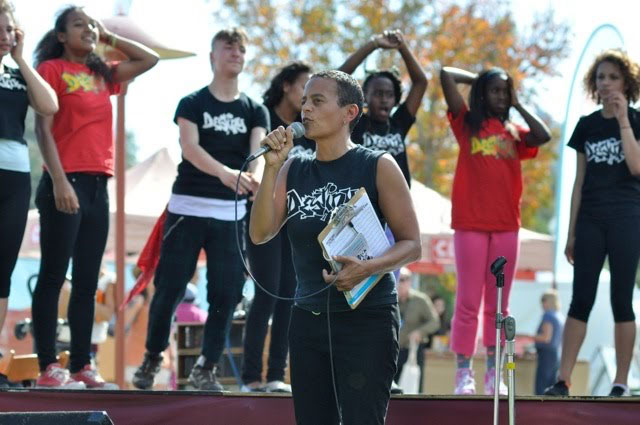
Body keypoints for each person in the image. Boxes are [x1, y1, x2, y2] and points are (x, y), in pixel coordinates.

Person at [250, 70, 421, 425]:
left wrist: (368, 267)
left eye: (317, 101)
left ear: (349, 113)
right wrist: (271, 168)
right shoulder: (292, 169)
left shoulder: (377, 165)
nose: (305, 110)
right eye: (304, 102)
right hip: (308, 320)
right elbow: (261, 233)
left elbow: (412, 244)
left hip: (367, 320)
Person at [132, 27, 269, 392]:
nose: (235, 53)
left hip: (231, 214)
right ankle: (152, 355)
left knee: (226, 294)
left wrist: (251, 177)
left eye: (241, 48)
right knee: (169, 289)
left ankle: (206, 367)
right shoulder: (192, 103)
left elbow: (258, 156)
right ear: (213, 55)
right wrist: (227, 174)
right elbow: (189, 148)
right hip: (187, 207)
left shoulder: (255, 110)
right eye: (228, 47)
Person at [31, 5, 158, 389]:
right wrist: (58, 182)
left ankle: (83, 365)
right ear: (60, 36)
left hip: (98, 186)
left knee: (88, 281)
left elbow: (148, 59)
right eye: (78, 25)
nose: (87, 30)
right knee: (54, 275)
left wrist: (108, 37)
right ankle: (49, 366)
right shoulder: (51, 70)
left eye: (91, 24)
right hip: (63, 182)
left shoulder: (103, 73)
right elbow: (42, 129)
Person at [440, 65, 551, 395]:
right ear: (482, 94)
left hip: (506, 227)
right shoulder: (467, 124)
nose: (500, 96)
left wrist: (515, 103)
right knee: (468, 301)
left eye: (505, 91)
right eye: (495, 91)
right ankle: (464, 373)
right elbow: (446, 74)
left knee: (500, 304)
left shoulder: (514, 133)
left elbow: (543, 135)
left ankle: (493, 372)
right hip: (470, 224)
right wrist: (482, 80)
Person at [544, 49, 640, 397]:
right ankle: (562, 378)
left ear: (626, 82)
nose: (606, 83)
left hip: (627, 218)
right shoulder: (586, 125)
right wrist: (570, 232)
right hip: (590, 221)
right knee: (580, 298)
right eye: (601, 77)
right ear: (593, 83)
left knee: (621, 299)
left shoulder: (637, 119)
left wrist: (624, 118)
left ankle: (621, 381)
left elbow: (636, 167)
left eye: (613, 77)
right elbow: (578, 182)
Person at [241, 61, 313, 393]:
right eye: (304, 88)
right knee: (267, 291)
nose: (309, 100)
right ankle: (251, 377)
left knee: (289, 294)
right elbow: (254, 165)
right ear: (286, 85)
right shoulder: (261, 116)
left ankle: (275, 376)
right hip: (262, 216)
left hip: (295, 220)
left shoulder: (310, 128)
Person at [0, 0, 58, 386]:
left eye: (10, 30)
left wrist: (21, 59)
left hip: (16, 173)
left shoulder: (17, 71)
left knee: (2, 270)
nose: (5, 36)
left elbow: (49, 105)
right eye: (0, 30)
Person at [338, 29, 427, 187]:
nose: (384, 100)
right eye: (378, 94)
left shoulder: (399, 122)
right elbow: (336, 81)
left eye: (389, 94)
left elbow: (421, 82)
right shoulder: (356, 123)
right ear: (365, 97)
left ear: (396, 99)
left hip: (398, 203)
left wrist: (402, 47)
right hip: (365, 203)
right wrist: (374, 44)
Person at [393, 267, 440, 394]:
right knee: (391, 389)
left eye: (403, 280)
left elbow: (435, 322)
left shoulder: (421, 300)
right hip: (392, 351)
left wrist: (420, 332)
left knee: (412, 387)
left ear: (410, 281)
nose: (399, 283)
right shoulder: (390, 299)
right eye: (396, 279)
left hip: (412, 351)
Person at [534, 290, 564, 395]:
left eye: (543, 300)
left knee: (541, 387)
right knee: (552, 386)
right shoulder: (559, 316)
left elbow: (546, 337)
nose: (542, 304)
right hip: (555, 354)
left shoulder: (548, 316)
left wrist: (526, 337)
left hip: (546, 355)